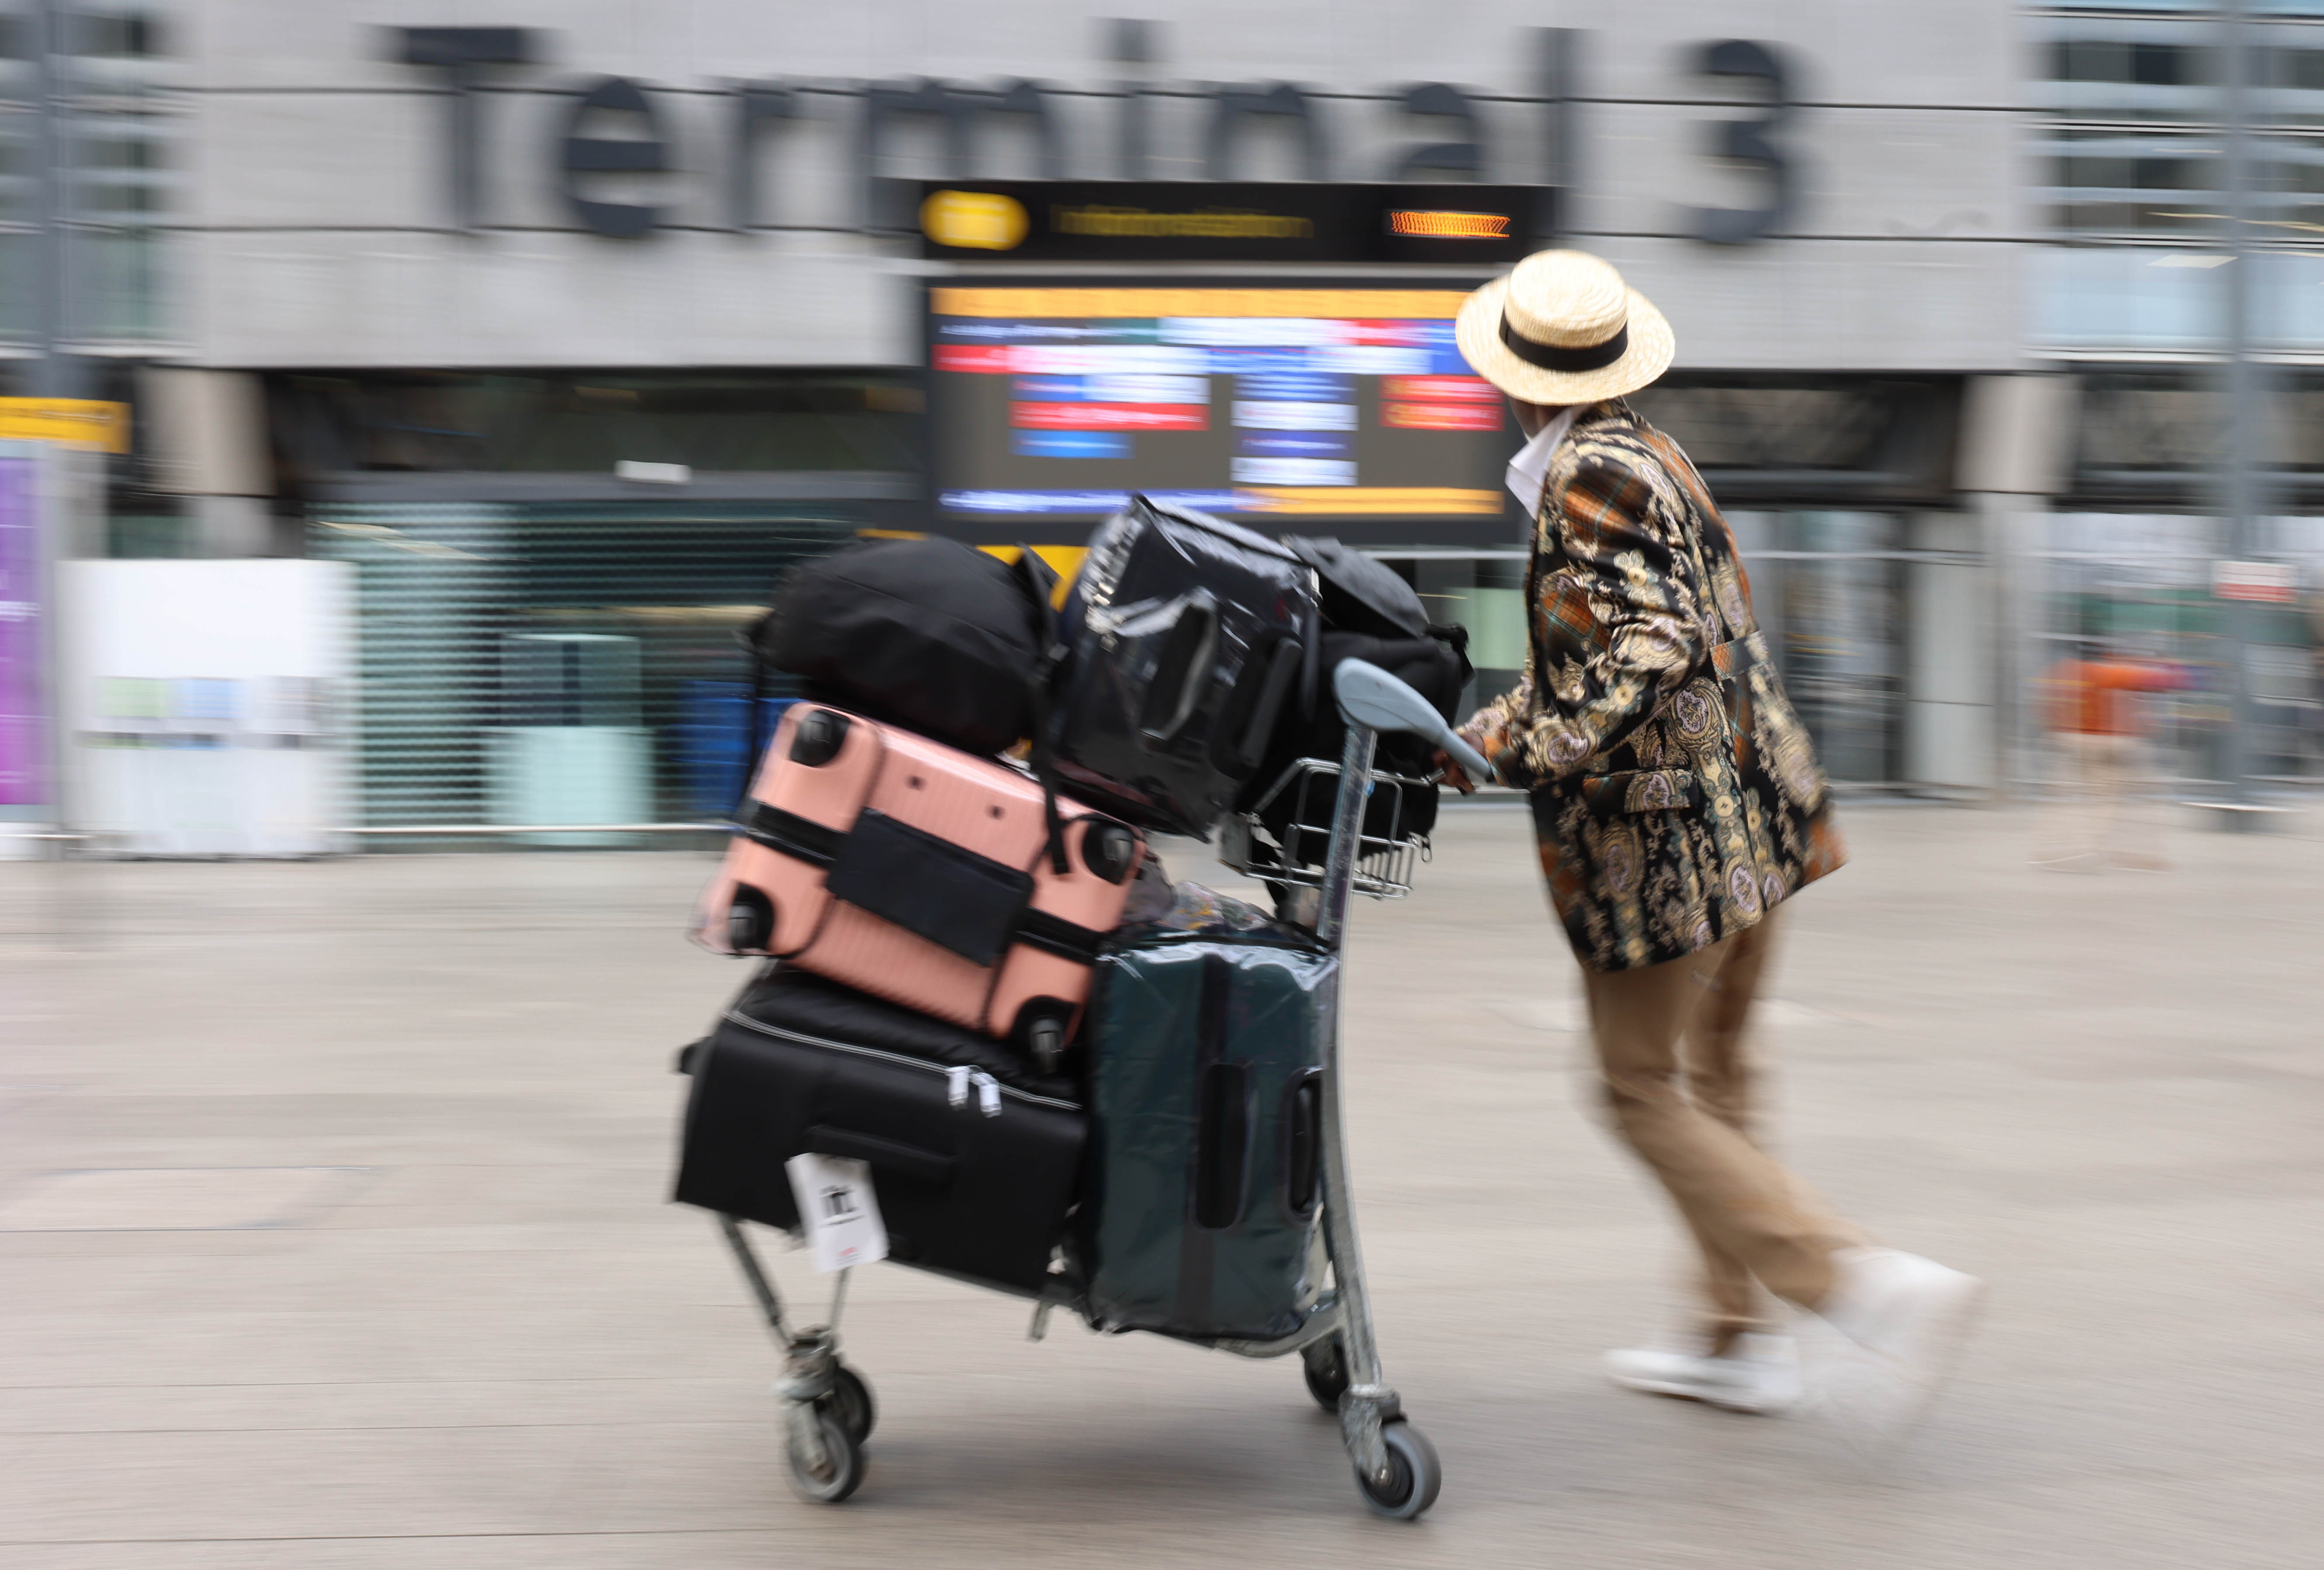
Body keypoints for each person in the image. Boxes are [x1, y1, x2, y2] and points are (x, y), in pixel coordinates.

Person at [1437, 249, 1983, 1435]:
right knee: (1718, 1078)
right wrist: (1497, 720)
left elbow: (1646, 643)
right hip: (1755, 819)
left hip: (1670, 850)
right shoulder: (1648, 452)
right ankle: (1734, 1339)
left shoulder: (1583, 471)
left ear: (1517, 379)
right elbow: (1624, 644)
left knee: (1634, 1087)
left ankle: (1849, 1281)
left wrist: (1510, 750)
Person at [2036, 646, 2182, 872]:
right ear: (2104, 655)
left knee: (2065, 799)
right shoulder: (2114, 672)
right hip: (2112, 745)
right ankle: (2126, 854)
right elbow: (2166, 680)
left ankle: (2051, 852)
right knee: (2119, 801)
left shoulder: (2060, 672)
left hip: (2071, 742)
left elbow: (2046, 709)